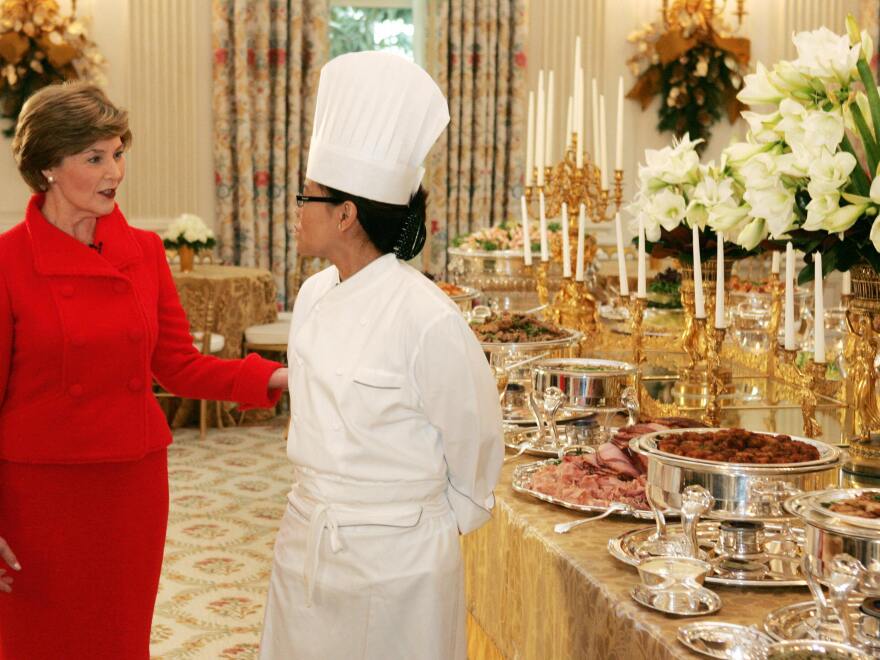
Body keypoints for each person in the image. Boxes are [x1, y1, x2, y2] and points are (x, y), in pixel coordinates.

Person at [0, 82, 289, 659]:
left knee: (119, 636)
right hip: (38, 495)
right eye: (95, 157)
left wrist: (274, 379)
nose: (115, 171)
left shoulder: (145, 251)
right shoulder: (8, 262)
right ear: (48, 168)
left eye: (118, 152)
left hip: (130, 485)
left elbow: (177, 365)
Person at [259, 51, 503, 659]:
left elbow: (473, 445)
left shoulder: (427, 318)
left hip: (401, 565)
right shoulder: (313, 296)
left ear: (345, 215)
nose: (295, 209)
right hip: (308, 541)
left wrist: (414, 527)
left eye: (306, 197)